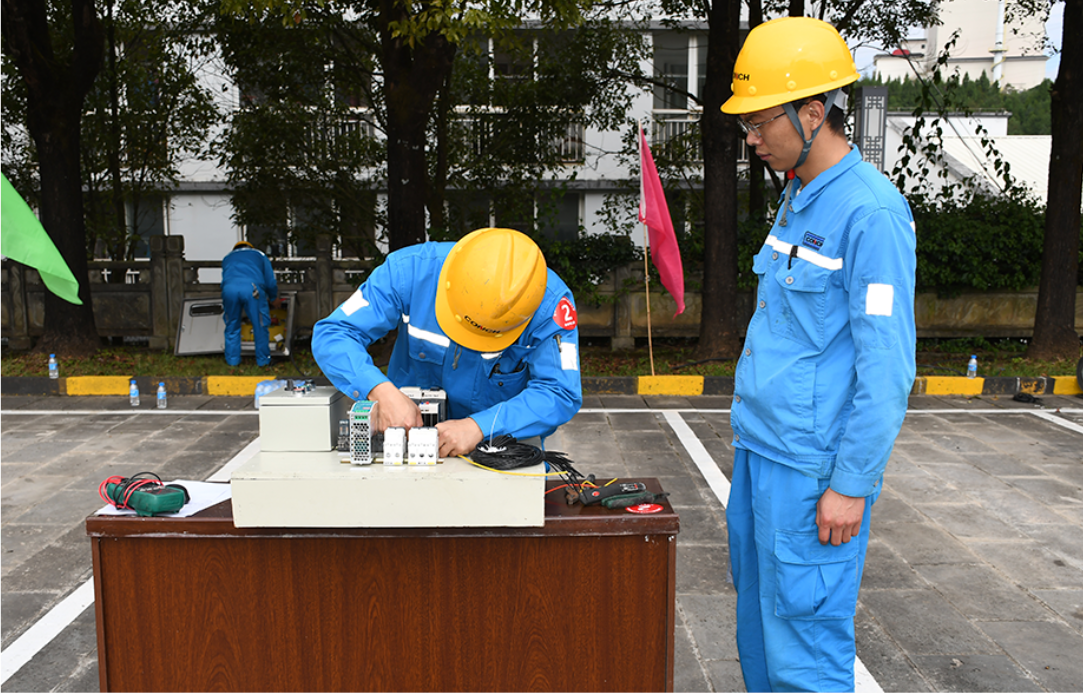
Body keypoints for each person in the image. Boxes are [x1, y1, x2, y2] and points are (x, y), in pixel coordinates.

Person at [720, 17, 916, 692]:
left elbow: (887, 370)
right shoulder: (798, 195)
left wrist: (850, 485)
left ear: (812, 112)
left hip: (810, 472)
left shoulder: (871, 214)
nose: (751, 138)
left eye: (759, 122)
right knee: (759, 632)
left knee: (804, 649)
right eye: (746, 124)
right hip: (761, 450)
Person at [312, 227, 582, 459]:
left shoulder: (550, 305)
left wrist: (480, 427)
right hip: (407, 445)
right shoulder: (409, 271)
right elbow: (334, 334)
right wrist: (379, 390)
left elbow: (559, 392)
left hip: (498, 452)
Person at [221, 240, 278, 367]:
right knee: (260, 324)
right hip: (252, 289)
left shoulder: (227, 258)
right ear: (250, 247)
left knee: (232, 324)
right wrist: (273, 297)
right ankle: (263, 361)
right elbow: (270, 281)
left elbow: (225, 278)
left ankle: (232, 361)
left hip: (229, 290)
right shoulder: (259, 255)